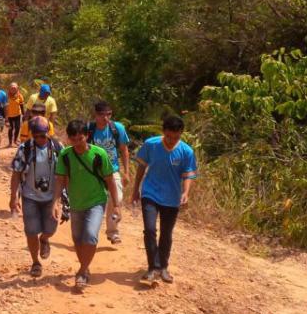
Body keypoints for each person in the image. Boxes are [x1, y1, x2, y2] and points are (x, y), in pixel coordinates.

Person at [131, 115, 199, 285]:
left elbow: (188, 174)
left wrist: (186, 193)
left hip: (172, 197)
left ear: (181, 134)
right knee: (150, 229)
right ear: (163, 132)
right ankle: (152, 267)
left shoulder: (186, 151)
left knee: (166, 234)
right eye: (169, 136)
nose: (171, 140)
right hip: (150, 193)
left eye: (176, 137)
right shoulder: (151, 144)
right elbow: (141, 166)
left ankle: (163, 267)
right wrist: (135, 190)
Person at [53, 120, 120, 291]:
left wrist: (117, 205)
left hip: (96, 201)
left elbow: (110, 180)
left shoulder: (99, 154)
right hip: (76, 202)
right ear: (68, 139)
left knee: (90, 236)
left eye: (80, 139)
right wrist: (56, 201)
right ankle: (85, 266)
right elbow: (60, 179)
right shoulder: (65, 155)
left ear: (87, 136)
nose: (77, 143)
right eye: (73, 139)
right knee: (77, 239)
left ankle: (82, 271)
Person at [9, 116, 63, 278]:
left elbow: (64, 174)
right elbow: (16, 173)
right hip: (30, 196)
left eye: (44, 135)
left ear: (49, 133)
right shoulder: (24, 148)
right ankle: (35, 262)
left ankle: (45, 239)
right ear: (32, 134)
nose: (41, 138)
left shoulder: (57, 148)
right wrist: (13, 197)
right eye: (37, 135)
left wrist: (61, 198)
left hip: (51, 197)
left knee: (51, 228)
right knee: (31, 231)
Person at [86, 101, 131, 244]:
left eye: (109, 114)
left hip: (113, 170)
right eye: (101, 115)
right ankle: (88, 231)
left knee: (116, 198)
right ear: (95, 115)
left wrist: (127, 172)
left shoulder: (117, 128)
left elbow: (124, 150)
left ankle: (112, 231)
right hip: (93, 172)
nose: (105, 118)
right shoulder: (89, 129)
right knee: (92, 202)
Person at [4, 82, 25, 148]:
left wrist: (23, 114)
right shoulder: (6, 96)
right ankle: (10, 143)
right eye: (12, 88)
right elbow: (5, 107)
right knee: (11, 128)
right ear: (9, 89)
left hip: (17, 114)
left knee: (17, 127)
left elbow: (21, 105)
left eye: (14, 88)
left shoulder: (19, 96)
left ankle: (15, 140)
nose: (13, 89)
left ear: (17, 89)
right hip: (9, 115)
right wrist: (5, 117)